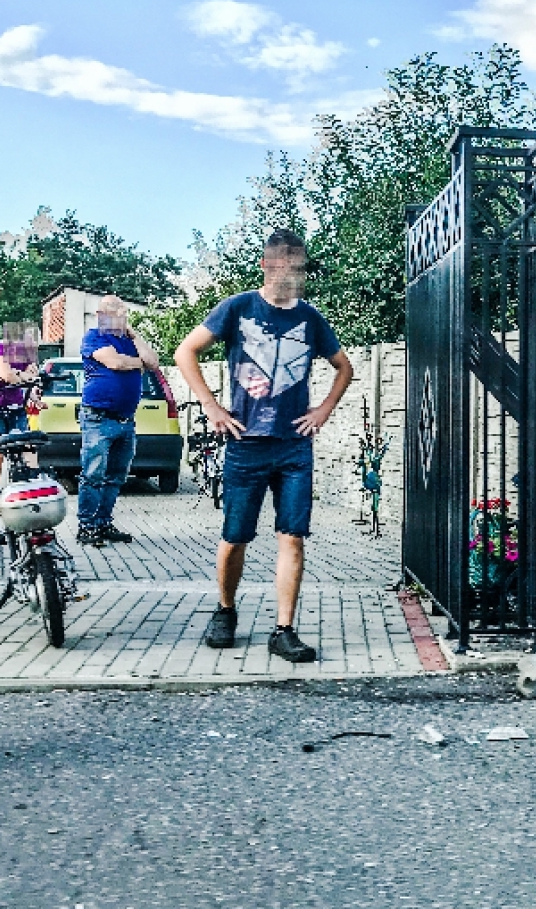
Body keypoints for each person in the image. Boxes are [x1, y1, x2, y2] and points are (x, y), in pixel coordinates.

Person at [174, 231, 353, 663]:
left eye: (301, 266)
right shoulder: (237, 308)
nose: (297, 273)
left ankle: (284, 630)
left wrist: (323, 410)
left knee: (292, 538)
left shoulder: (310, 318)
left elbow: (343, 367)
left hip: (294, 447)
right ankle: (226, 611)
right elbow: (185, 353)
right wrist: (212, 407)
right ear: (268, 265)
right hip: (245, 443)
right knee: (235, 537)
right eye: (290, 266)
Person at [77, 295, 160, 546]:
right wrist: (138, 364)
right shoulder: (94, 337)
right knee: (93, 474)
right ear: (100, 315)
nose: (118, 317)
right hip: (98, 417)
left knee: (116, 476)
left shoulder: (128, 340)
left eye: (122, 313)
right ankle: (87, 526)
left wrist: (134, 336)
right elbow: (115, 362)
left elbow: (154, 362)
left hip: (126, 420)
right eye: (112, 313)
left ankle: (103, 523)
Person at [0, 322, 40, 515]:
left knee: (27, 451)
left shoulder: (27, 355)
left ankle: (27, 496)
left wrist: (32, 394)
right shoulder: (0, 349)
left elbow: (33, 379)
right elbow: (7, 376)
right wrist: (20, 376)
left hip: (16, 408)